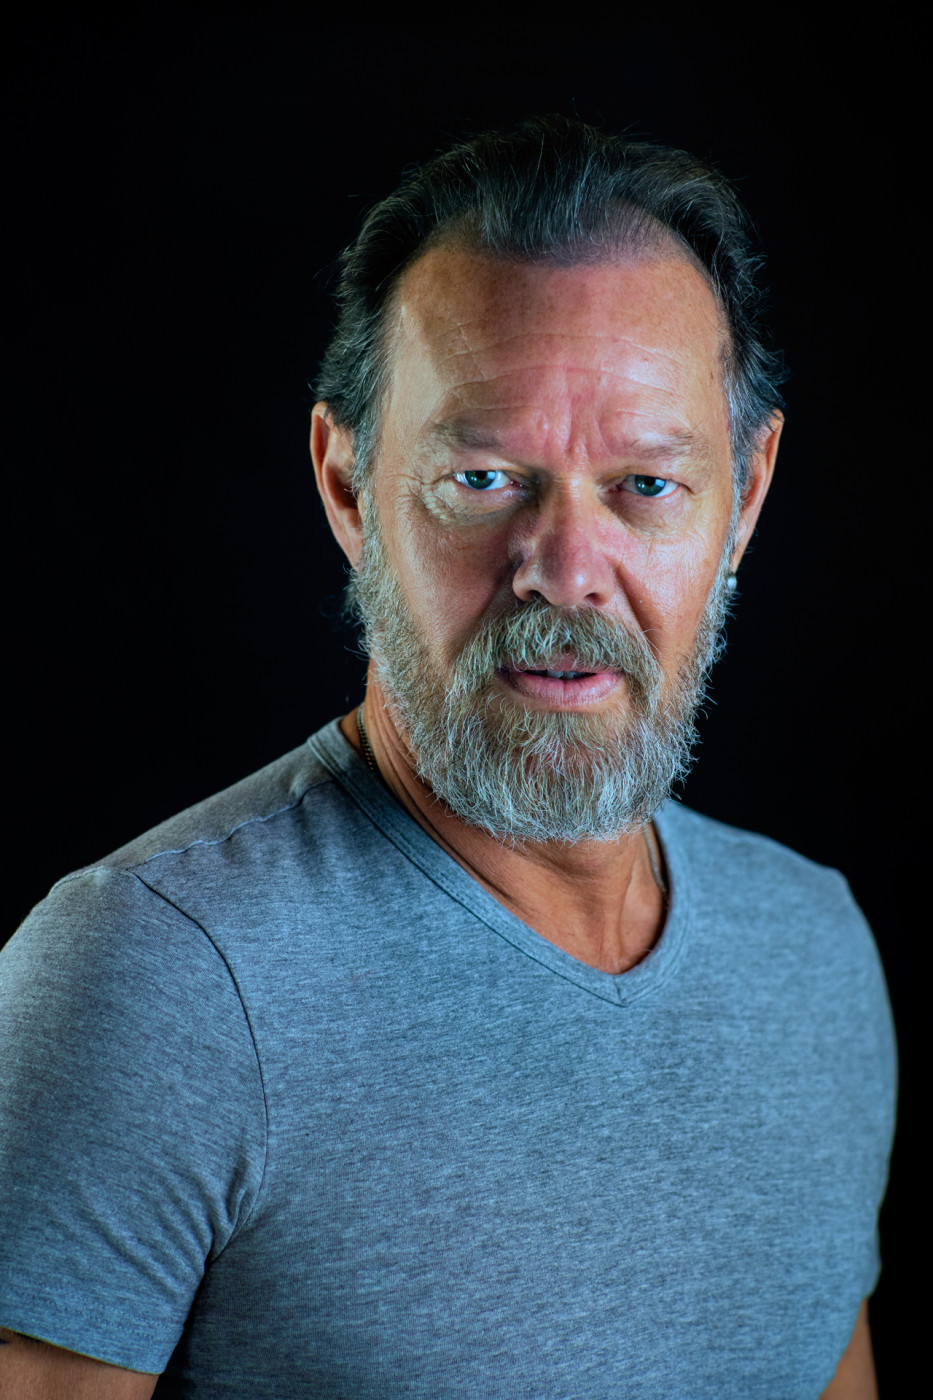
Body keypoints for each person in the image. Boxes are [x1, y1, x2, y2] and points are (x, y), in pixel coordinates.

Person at [0, 115, 895, 1398]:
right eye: (482, 477)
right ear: (348, 485)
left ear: (745, 496)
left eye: (647, 484)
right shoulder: (154, 982)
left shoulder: (814, 954)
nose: (566, 570)